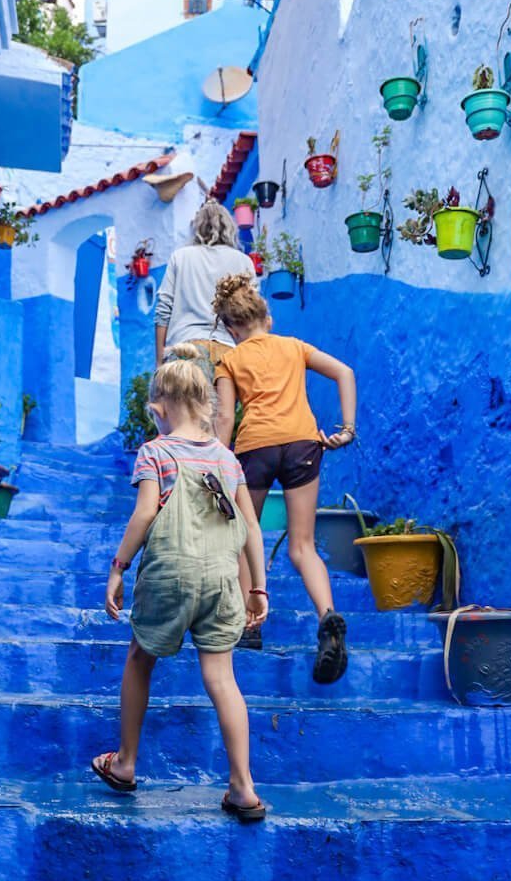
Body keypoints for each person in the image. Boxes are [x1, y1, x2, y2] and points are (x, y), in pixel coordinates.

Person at [92, 345, 270, 821]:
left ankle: (125, 763)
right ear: (205, 404)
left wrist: (118, 567)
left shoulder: (156, 452)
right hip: (221, 580)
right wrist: (257, 588)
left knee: (140, 657)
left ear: (160, 408)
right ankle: (243, 787)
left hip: (170, 575)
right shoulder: (227, 460)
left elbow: (145, 513)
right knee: (222, 677)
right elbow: (251, 527)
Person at [212, 273, 357, 685]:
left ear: (231, 329)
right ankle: (327, 617)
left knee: (244, 539)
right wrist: (346, 430)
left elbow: (225, 419)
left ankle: (250, 626)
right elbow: (345, 372)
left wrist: (215, 463)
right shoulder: (295, 346)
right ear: (268, 319)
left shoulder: (229, 361)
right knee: (302, 546)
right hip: (303, 444)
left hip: (255, 449)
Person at [154, 200, 258, 372]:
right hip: (228, 349)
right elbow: (252, 315)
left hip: (184, 349)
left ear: (197, 227)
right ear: (229, 228)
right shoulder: (243, 261)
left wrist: (159, 361)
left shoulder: (180, 257)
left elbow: (163, 311)